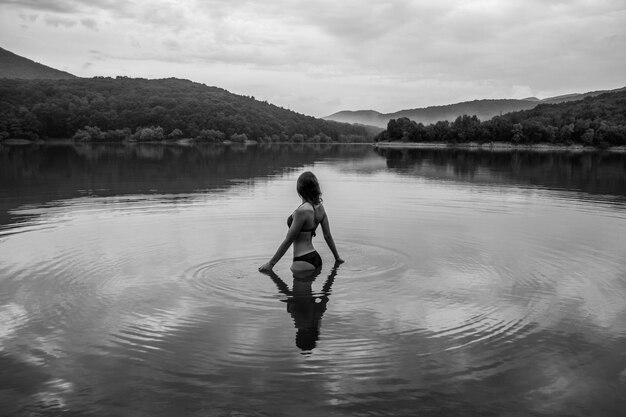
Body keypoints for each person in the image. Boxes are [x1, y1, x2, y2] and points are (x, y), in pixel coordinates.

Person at [258, 171, 343, 274]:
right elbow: (328, 236)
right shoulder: (320, 208)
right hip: (316, 259)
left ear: (299, 189)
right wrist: (337, 258)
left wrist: (271, 264)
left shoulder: (301, 211)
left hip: (302, 261)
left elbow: (289, 240)